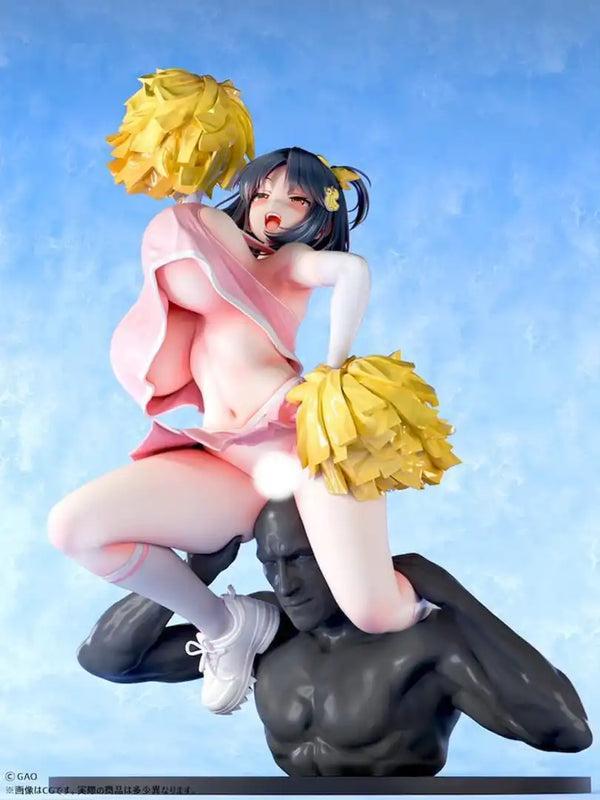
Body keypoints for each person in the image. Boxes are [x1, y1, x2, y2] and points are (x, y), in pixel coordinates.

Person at [47, 69, 458, 717]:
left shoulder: (286, 266)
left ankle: (452, 624)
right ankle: (226, 625)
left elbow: (351, 271)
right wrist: (190, 145)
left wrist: (334, 365)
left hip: (296, 446)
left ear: (317, 215)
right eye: (262, 189)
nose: (273, 204)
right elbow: (193, 235)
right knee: (76, 529)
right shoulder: (210, 239)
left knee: (376, 612)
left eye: (295, 199)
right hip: (224, 454)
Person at [77, 498, 593, 777]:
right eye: (270, 563)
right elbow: (107, 660)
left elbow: (566, 732)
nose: (284, 583)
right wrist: (193, 575)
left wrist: (456, 597)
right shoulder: (262, 629)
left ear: (345, 551)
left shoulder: (426, 642)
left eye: (300, 559)